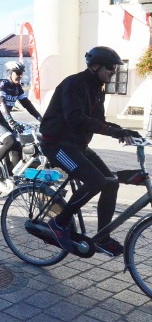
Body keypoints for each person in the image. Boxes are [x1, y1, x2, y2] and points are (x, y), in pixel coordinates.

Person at [42, 46, 140, 257]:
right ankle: (58, 223)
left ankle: (102, 237)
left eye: (115, 70)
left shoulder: (98, 90)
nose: (113, 73)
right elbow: (76, 119)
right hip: (56, 145)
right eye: (110, 68)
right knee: (96, 181)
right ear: (95, 66)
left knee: (111, 182)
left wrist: (122, 130)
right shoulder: (74, 84)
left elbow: (99, 122)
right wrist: (114, 133)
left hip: (77, 146)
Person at [0, 61, 42, 186]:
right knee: (9, 141)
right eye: (18, 73)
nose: (20, 76)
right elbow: (1, 103)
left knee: (18, 146)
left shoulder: (17, 88)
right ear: (10, 73)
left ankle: (13, 176)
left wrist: (40, 118)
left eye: (21, 74)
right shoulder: (1, 84)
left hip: (3, 119)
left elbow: (27, 104)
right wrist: (11, 121)